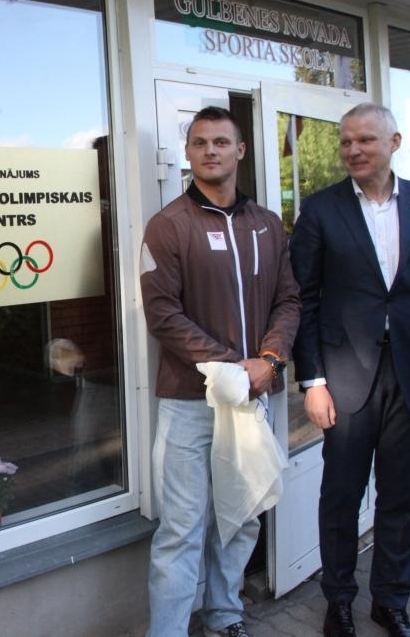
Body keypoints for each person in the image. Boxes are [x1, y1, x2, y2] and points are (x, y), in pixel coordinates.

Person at [290, 103, 410, 637]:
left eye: (365, 140)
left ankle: (390, 602)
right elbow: (304, 299)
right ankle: (339, 601)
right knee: (341, 498)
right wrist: (312, 380)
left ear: (394, 142)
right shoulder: (320, 210)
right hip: (347, 378)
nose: (353, 150)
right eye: (346, 141)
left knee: (401, 497)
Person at [140, 106, 300, 637]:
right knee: (181, 529)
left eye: (221, 141)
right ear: (188, 153)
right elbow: (163, 315)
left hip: (250, 401)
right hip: (189, 403)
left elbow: (288, 301)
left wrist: (269, 361)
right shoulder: (168, 226)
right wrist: (236, 367)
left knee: (242, 516)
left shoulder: (268, 226)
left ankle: (225, 616)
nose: (211, 150)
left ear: (240, 151)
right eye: (200, 142)